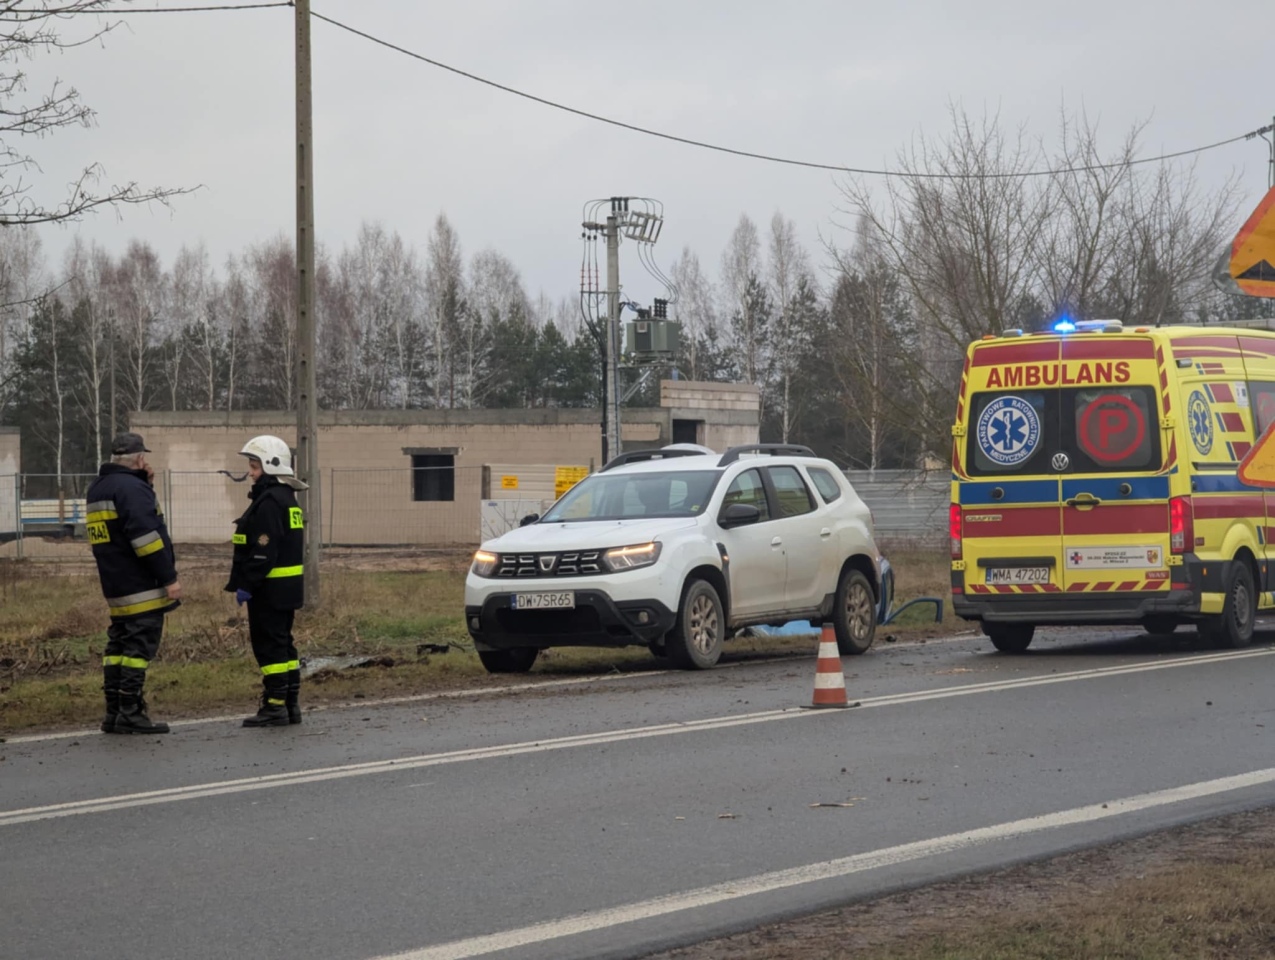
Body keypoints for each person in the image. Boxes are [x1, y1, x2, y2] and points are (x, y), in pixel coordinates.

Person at [86, 432, 182, 735]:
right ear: (139, 459)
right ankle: (131, 712)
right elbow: (146, 538)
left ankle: (114, 712)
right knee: (138, 650)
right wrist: (168, 578)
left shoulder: (98, 488)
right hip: (142, 584)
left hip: (115, 584)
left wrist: (146, 484)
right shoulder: (132, 488)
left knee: (117, 647)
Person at [226, 435, 307, 727]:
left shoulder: (270, 502)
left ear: (271, 466)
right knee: (284, 645)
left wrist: (247, 584)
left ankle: (274, 707)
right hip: (284, 590)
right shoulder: (286, 499)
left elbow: (263, 551)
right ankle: (289, 704)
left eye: (255, 466)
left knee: (269, 648)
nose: (251, 472)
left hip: (268, 590)